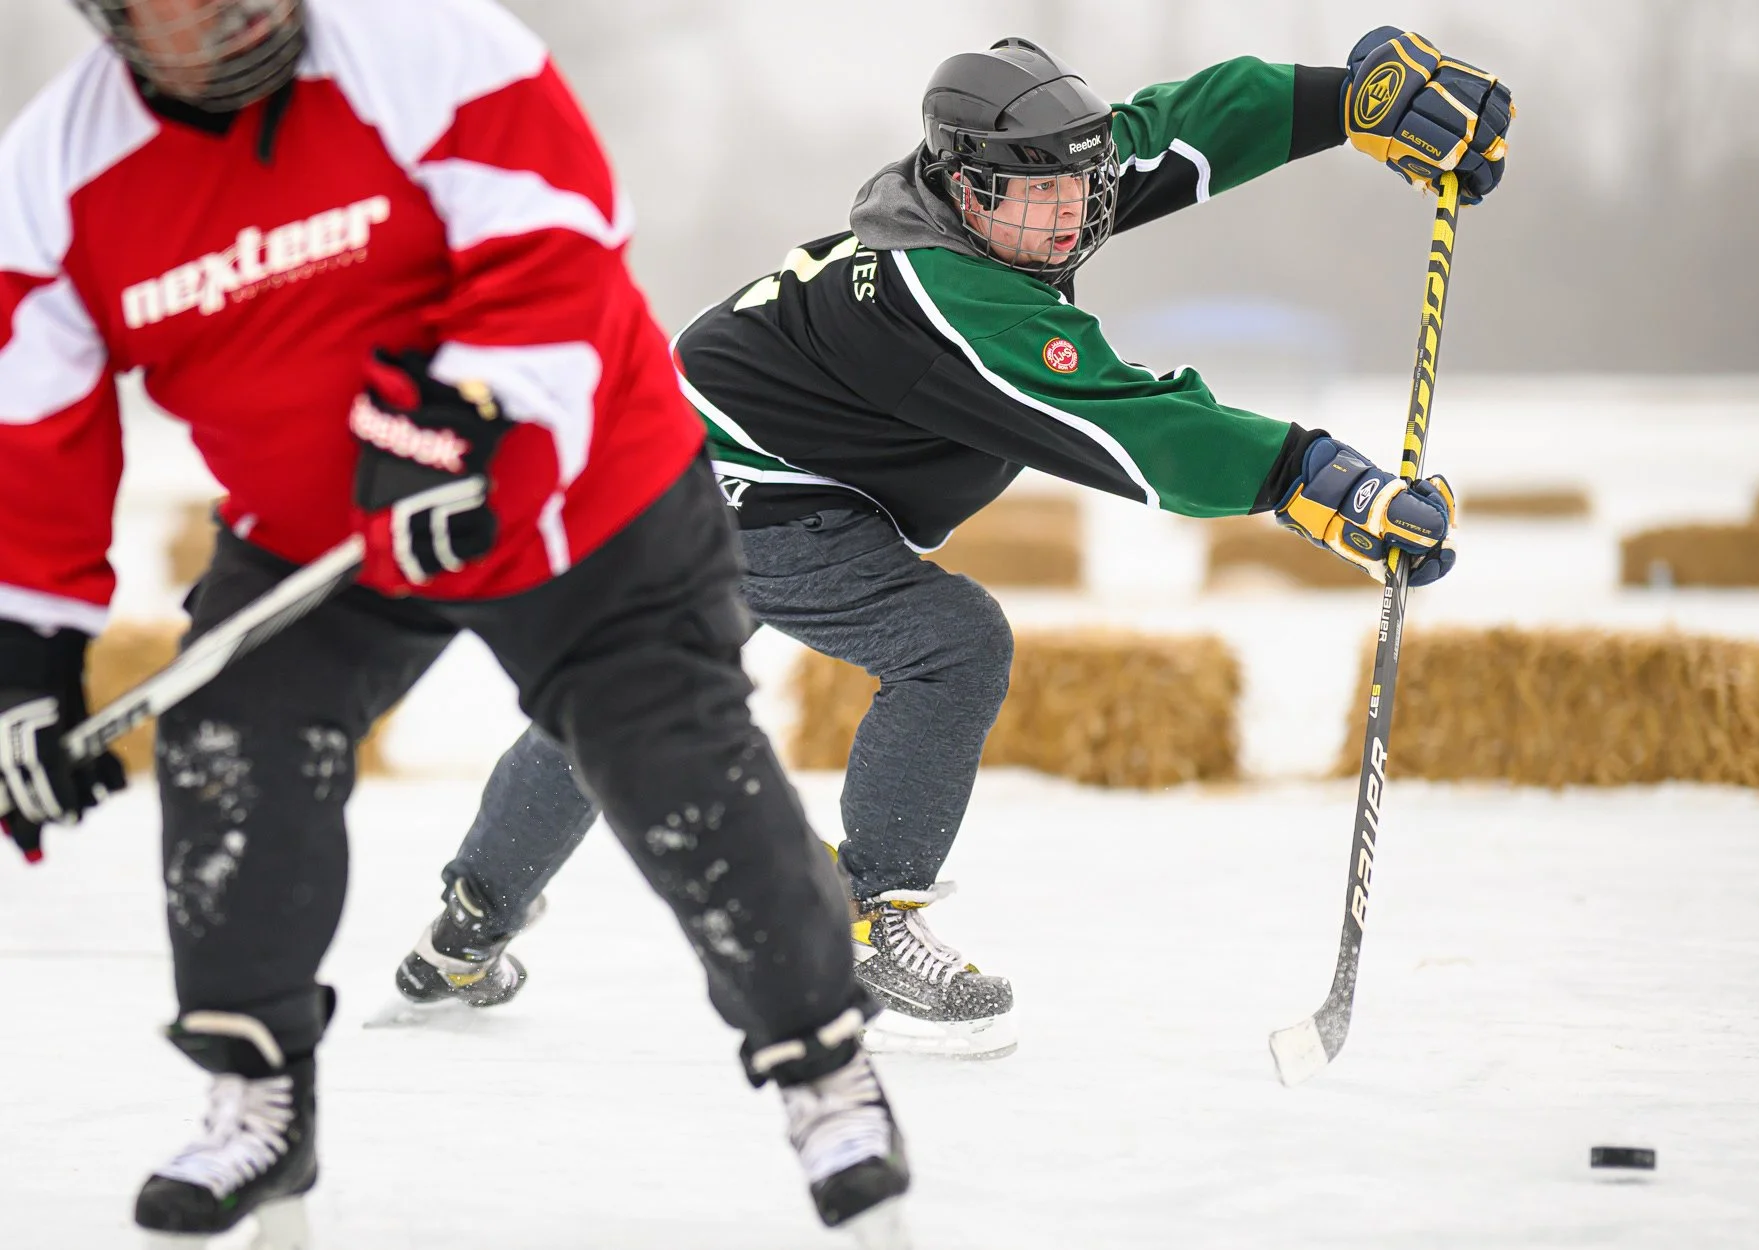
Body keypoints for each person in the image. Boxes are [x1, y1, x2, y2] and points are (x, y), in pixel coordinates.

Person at [395, 30, 1509, 1058]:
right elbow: (1125, 422)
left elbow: (1182, 126)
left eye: (1081, 186)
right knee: (951, 642)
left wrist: (1349, 99)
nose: (1068, 217)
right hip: (732, 476)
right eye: (1037, 196)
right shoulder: (952, 294)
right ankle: (870, 921)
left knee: (624, 699)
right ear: (964, 185)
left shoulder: (1026, 188)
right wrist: (1315, 480)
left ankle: (463, 928)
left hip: (711, 444)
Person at [0, 0, 912, 1243]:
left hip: (582, 495)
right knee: (232, 741)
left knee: (670, 757)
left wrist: (469, 406)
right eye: (174, 11)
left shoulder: (432, 45)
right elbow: (32, 419)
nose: (216, 28)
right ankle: (256, 1088)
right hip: (321, 531)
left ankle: (822, 1065)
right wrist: (26, 650)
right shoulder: (55, 173)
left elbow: (556, 238)